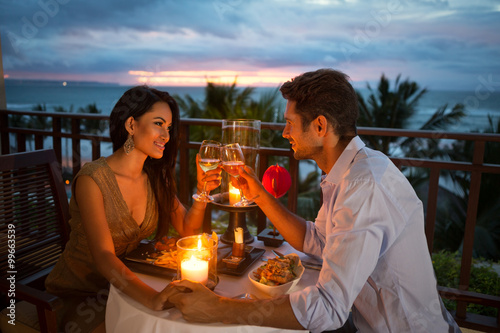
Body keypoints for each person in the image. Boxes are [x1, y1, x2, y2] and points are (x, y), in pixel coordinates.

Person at [168, 69, 461, 332]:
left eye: (290, 124)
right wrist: (259, 194)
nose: (284, 133)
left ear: (320, 126)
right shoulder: (349, 171)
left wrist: (219, 307)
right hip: (365, 322)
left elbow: (328, 308)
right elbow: (318, 241)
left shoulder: (364, 186)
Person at [45, 86, 221, 333]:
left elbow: (187, 229)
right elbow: (104, 256)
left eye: (168, 128)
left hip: (127, 283)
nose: (166, 136)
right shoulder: (92, 180)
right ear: (131, 125)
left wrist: (203, 191)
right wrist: (152, 298)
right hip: (80, 292)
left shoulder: (156, 177)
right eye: (159, 124)